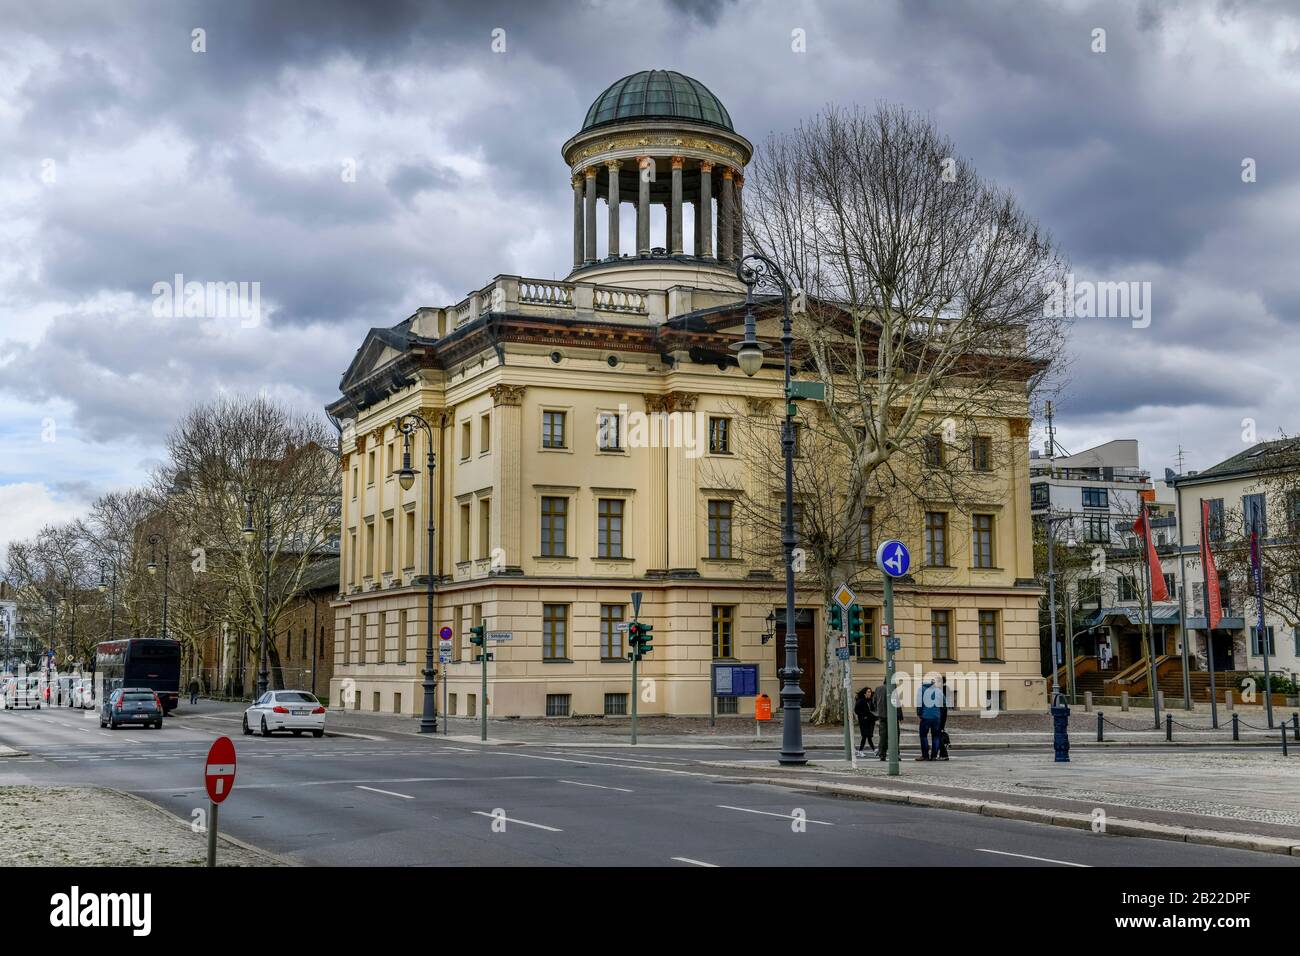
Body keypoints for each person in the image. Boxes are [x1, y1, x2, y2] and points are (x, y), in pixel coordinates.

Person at [916, 678, 942, 760]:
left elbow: (919, 704)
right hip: (936, 717)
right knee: (936, 737)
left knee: (923, 736)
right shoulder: (938, 690)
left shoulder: (921, 690)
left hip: (925, 716)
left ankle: (925, 755)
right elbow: (944, 702)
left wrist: (919, 714)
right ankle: (934, 756)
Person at [853, 686, 877, 756]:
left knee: (869, 736)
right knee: (865, 736)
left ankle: (874, 750)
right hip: (863, 721)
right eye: (868, 692)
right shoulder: (860, 701)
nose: (870, 693)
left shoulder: (870, 700)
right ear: (864, 693)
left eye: (870, 692)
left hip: (870, 721)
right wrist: (863, 716)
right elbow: (856, 711)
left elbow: (873, 710)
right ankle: (860, 751)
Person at [937, 678, 950, 761]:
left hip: (941, 713)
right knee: (939, 733)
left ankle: (944, 754)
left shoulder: (941, 690)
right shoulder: (945, 689)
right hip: (943, 713)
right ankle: (942, 753)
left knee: (938, 734)